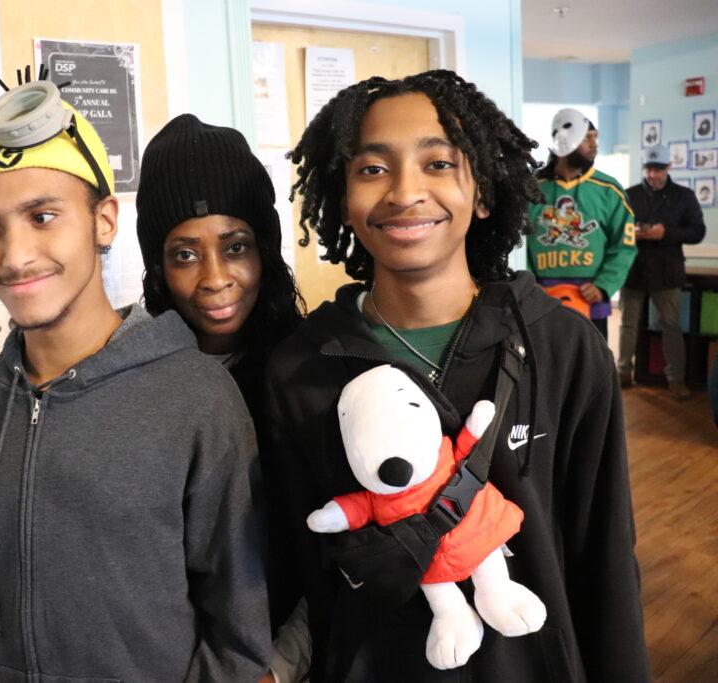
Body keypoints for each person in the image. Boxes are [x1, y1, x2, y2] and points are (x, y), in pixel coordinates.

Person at [266, 70, 650, 681]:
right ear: (344, 200)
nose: (404, 191)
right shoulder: (299, 370)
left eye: (439, 163)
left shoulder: (563, 347)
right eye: (371, 169)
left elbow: (603, 558)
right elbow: (306, 572)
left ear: (484, 192)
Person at [0, 88, 270, 682]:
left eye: (42, 217)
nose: (15, 257)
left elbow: (239, 635)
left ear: (104, 220)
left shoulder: (196, 399)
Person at [135, 113, 309, 683]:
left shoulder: (311, 378)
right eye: (184, 255)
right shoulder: (126, 375)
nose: (215, 279)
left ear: (266, 249)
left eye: (236, 247)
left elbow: (343, 555)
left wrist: (279, 668)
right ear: (157, 267)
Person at [526, 107, 637, 338]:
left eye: (595, 138)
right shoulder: (531, 190)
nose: (594, 144)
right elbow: (517, 243)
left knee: (592, 368)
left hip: (591, 297)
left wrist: (604, 286)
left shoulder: (609, 190)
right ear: (566, 139)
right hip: (539, 298)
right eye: (587, 138)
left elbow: (624, 245)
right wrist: (528, 285)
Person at [618, 145, 706, 398]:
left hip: (668, 272)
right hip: (633, 270)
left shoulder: (684, 196)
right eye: (648, 170)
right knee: (627, 325)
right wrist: (630, 232)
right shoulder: (629, 194)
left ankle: (676, 378)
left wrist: (665, 233)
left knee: (671, 325)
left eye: (658, 169)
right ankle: (623, 371)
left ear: (668, 166)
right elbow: (615, 228)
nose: (652, 175)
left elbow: (697, 232)